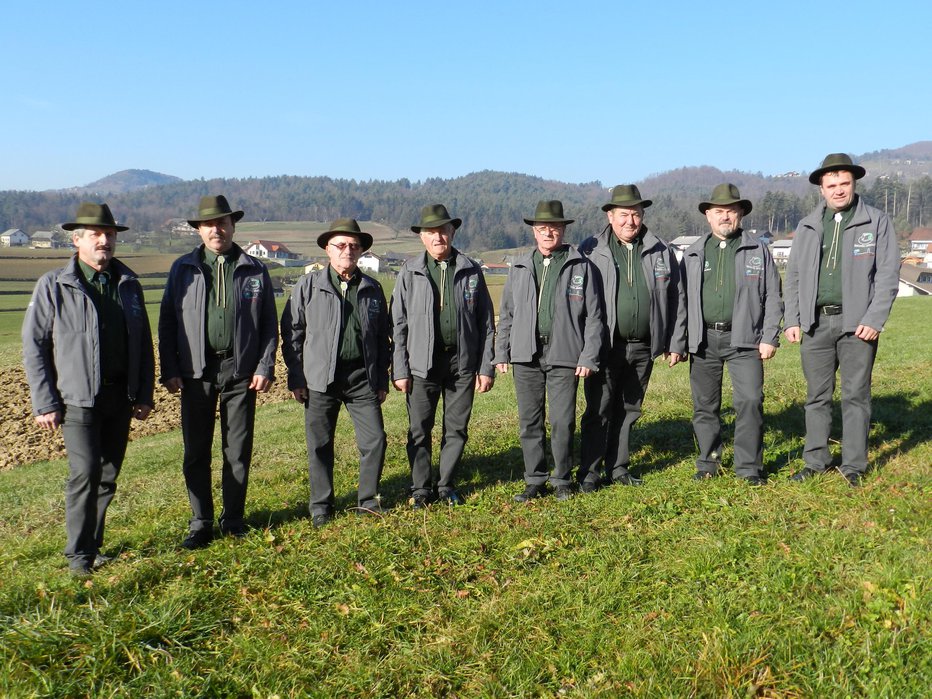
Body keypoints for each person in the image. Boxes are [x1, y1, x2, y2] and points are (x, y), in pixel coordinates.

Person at [23, 202, 154, 576]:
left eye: (109, 235)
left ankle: (94, 546)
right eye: (96, 234)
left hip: (119, 396)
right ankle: (78, 556)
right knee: (85, 474)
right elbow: (34, 345)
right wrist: (44, 400)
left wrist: (143, 394)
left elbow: (143, 342)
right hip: (78, 399)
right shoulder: (55, 285)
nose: (104, 241)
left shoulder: (128, 285)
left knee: (109, 473)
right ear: (77, 239)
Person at [158, 195, 278, 549]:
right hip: (196, 372)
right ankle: (201, 521)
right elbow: (166, 323)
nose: (216, 229)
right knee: (196, 449)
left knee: (237, 449)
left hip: (240, 371)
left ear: (232, 226)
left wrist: (264, 364)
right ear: (198, 229)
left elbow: (269, 324)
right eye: (209, 224)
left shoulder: (254, 269)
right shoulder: (183, 269)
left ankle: (234, 518)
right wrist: (170, 368)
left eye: (223, 223)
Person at [783, 154, 900, 487]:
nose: (838, 190)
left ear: (854, 184)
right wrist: (793, 318)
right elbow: (792, 276)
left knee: (855, 396)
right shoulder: (807, 226)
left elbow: (888, 275)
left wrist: (874, 318)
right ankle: (816, 461)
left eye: (844, 184)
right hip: (815, 324)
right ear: (822, 188)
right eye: (831, 185)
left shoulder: (876, 221)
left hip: (857, 325)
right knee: (816, 397)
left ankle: (854, 466)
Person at [281, 219, 390, 527]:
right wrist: (297, 376)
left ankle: (368, 501)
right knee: (319, 444)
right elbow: (292, 332)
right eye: (341, 245)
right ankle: (321, 507)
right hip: (319, 380)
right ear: (327, 249)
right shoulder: (308, 286)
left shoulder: (372, 288)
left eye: (354, 246)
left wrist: (380, 378)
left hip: (361, 379)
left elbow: (383, 338)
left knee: (376, 440)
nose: (348, 251)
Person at [494, 200, 603, 502]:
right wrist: (502, 352)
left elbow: (595, 317)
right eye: (542, 228)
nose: (548, 232)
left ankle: (562, 478)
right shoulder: (518, 266)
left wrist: (588, 355)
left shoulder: (581, 266)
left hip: (564, 353)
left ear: (564, 229)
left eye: (554, 227)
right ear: (533, 231)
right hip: (526, 354)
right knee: (529, 420)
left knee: (562, 420)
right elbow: (508, 313)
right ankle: (535, 479)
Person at [578, 185, 686, 490]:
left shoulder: (660, 249)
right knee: (598, 409)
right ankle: (589, 472)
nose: (630, 221)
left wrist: (675, 341)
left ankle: (619, 467)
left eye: (636, 214)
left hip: (643, 345)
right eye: (624, 214)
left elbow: (677, 297)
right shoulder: (590, 249)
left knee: (629, 409)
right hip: (604, 345)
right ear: (610, 216)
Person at [391, 204, 496, 508]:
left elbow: (485, 322)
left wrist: (485, 365)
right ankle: (421, 488)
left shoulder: (470, 269)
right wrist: (400, 369)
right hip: (422, 364)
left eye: (443, 230)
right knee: (419, 429)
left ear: (452, 232)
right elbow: (398, 324)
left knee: (457, 428)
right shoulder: (409, 271)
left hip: (461, 363)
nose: (438, 236)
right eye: (431, 232)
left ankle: (446, 484)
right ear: (422, 237)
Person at [678, 184, 782, 485]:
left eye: (731, 211)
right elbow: (681, 300)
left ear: (741, 214)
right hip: (704, 341)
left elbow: (773, 295)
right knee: (704, 405)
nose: (726, 216)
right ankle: (708, 462)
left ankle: (748, 466)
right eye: (719, 211)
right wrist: (680, 340)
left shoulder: (757, 249)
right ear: (708, 215)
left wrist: (769, 336)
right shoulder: (694, 252)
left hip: (745, 340)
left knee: (750, 400)